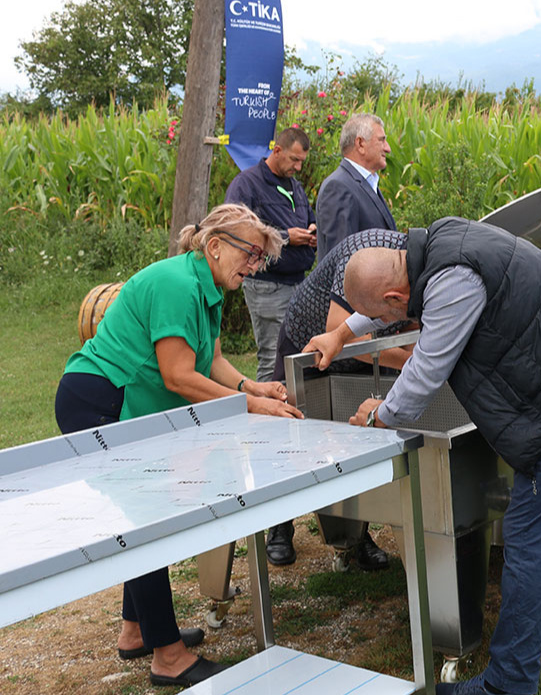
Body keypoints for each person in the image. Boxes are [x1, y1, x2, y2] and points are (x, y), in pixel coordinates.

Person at [305, 217, 541, 695]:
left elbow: (425, 374)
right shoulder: (437, 241)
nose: (387, 320)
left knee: (531, 535)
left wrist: (380, 415)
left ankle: (508, 682)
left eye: (384, 315)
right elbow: (387, 290)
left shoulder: (449, 286)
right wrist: (343, 333)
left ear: (399, 301)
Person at [54, 204, 302, 688]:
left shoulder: (203, 287)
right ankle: (168, 658)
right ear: (214, 246)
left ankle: (135, 631)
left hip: (117, 402)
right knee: (145, 526)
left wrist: (253, 388)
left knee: (145, 516)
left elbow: (210, 359)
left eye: (258, 258)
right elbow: (177, 376)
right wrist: (248, 407)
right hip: (99, 399)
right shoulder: (177, 284)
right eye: (250, 253)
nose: (253, 266)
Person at [260, 229, 415, 570]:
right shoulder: (362, 256)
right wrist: (409, 362)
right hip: (309, 346)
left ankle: (357, 538)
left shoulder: (413, 271)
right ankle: (280, 527)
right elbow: (345, 336)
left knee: (359, 440)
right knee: (293, 436)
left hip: (370, 354)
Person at [224, 126, 317, 382]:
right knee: (273, 358)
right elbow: (234, 230)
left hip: (298, 284)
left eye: (302, 162)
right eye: (294, 160)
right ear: (277, 150)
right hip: (266, 286)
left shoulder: (295, 187)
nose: (298, 167)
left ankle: (291, 412)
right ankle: (264, 414)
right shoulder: (247, 184)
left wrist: (313, 231)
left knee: (296, 355)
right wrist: (286, 237)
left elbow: (309, 218)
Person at [315, 113, 395, 262]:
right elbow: (340, 262)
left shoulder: (365, 184)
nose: (388, 148)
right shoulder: (338, 187)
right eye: (381, 140)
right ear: (360, 144)